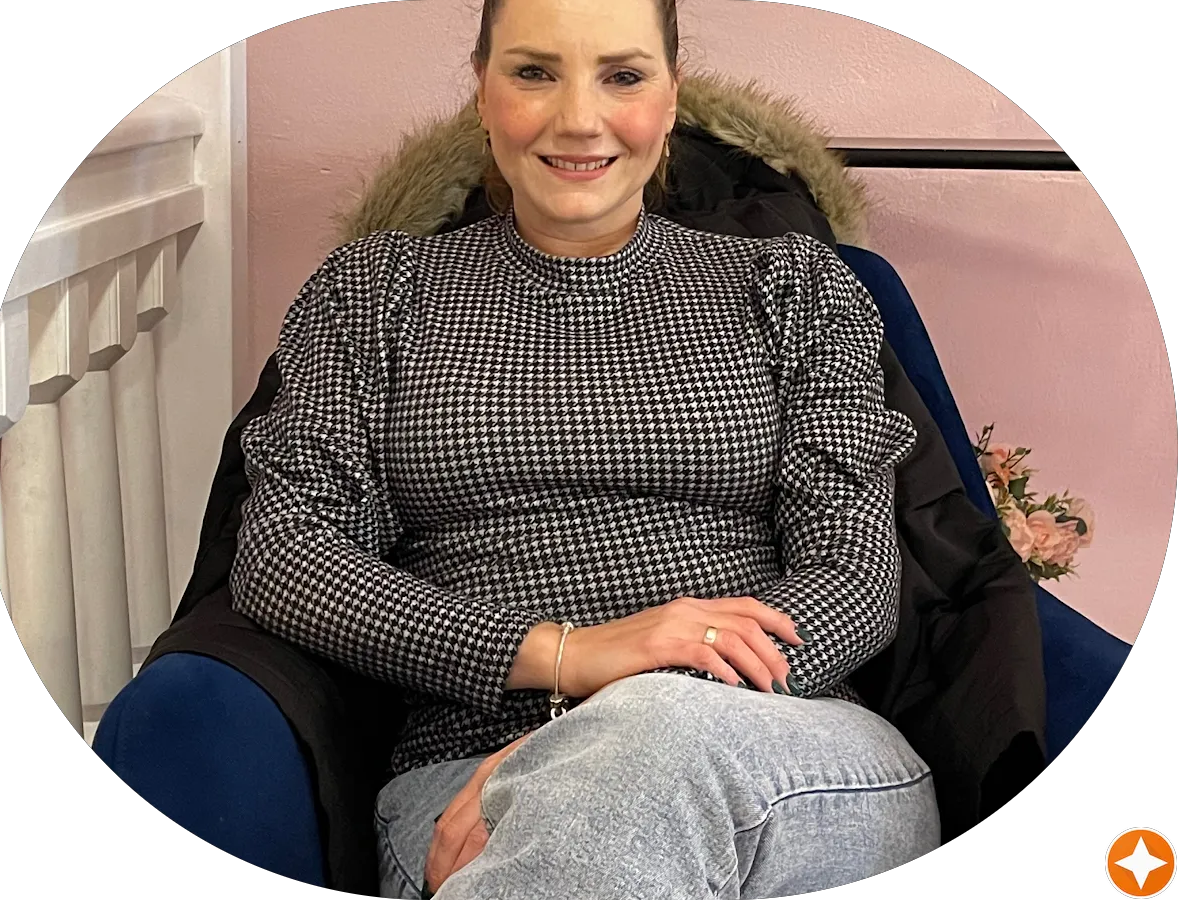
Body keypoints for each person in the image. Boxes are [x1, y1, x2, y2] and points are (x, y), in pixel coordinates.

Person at [227, 0, 941, 896]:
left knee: (650, 753)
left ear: (671, 97)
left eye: (623, 76)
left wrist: (615, 722)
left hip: (786, 750)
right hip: (468, 783)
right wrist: (567, 655)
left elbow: (854, 580)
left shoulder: (794, 285)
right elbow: (286, 559)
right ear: (481, 90)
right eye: (534, 73)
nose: (578, 118)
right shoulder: (372, 292)